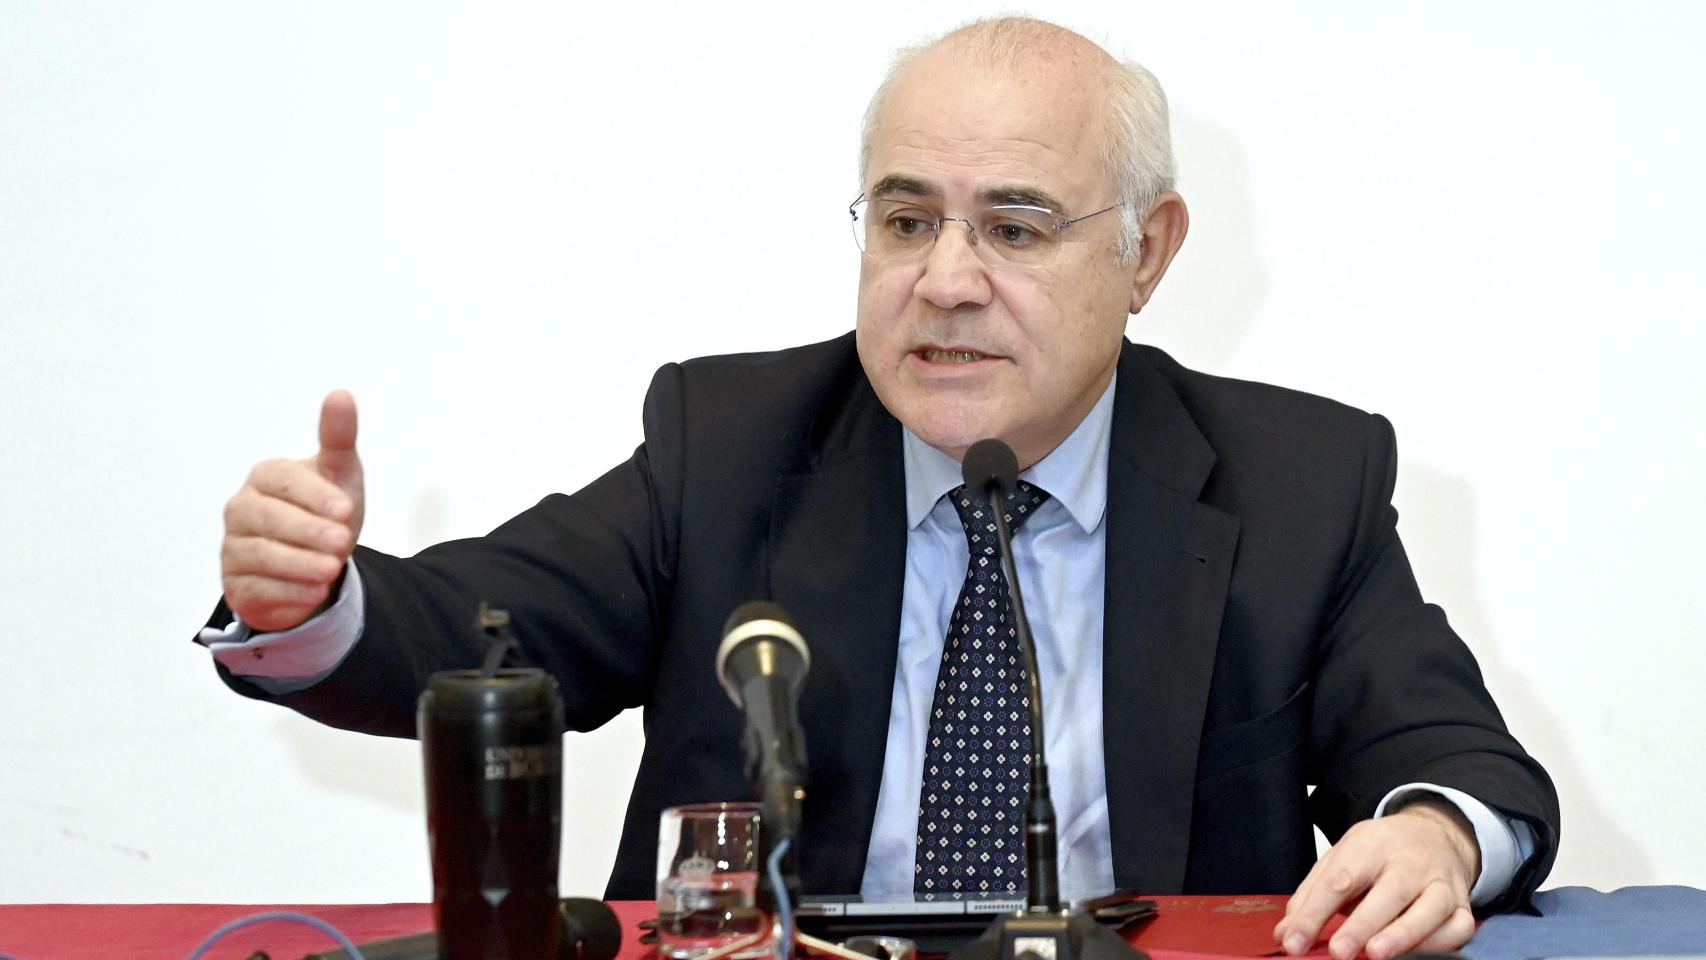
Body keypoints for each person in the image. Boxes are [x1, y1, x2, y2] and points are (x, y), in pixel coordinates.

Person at [199, 17, 1558, 960]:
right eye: (907, 220)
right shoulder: (731, 444)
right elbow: (483, 632)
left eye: (1013, 226)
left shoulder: (1295, 483)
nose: (946, 279)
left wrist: (1436, 838)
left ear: (1145, 253)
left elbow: (1458, 765)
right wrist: (318, 600)